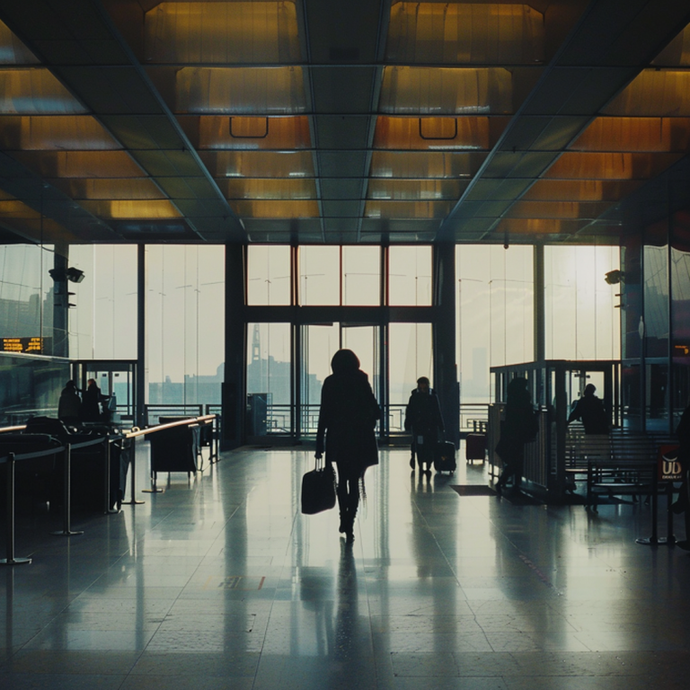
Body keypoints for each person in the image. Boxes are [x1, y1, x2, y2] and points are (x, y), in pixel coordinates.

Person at [315, 349, 380, 543]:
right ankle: (351, 520)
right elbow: (375, 411)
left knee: (342, 480)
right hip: (360, 439)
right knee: (355, 480)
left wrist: (320, 442)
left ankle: (344, 517)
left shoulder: (330, 382)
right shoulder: (361, 380)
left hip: (339, 438)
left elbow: (324, 414)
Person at [495, 377, 538, 496]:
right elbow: (527, 413)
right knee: (518, 459)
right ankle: (509, 481)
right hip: (521, 433)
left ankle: (509, 481)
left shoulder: (511, 397)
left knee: (515, 458)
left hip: (511, 432)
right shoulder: (523, 396)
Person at [404, 376, 444, 474]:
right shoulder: (422, 397)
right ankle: (421, 465)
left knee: (428, 446)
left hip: (428, 426)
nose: (422, 386)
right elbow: (410, 412)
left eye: (424, 384)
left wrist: (441, 425)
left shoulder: (429, 397)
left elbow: (437, 412)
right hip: (420, 427)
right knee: (420, 446)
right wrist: (408, 424)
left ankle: (427, 464)